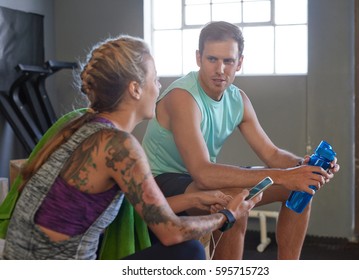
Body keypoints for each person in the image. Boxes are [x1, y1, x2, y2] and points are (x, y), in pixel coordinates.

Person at [1, 35, 261, 260]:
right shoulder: (119, 145)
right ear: (135, 89)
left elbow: (145, 209)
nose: (159, 87)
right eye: (155, 79)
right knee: (188, 250)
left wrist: (196, 198)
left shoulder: (81, 124)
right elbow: (170, 231)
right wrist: (228, 215)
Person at [142, 21, 340, 260]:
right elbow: (203, 172)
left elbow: (272, 154)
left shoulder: (238, 100)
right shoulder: (183, 97)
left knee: (299, 188)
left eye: (228, 61)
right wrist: (284, 175)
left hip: (198, 180)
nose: (220, 69)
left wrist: (304, 167)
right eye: (212, 59)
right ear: (198, 58)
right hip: (161, 182)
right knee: (237, 201)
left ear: (239, 62)